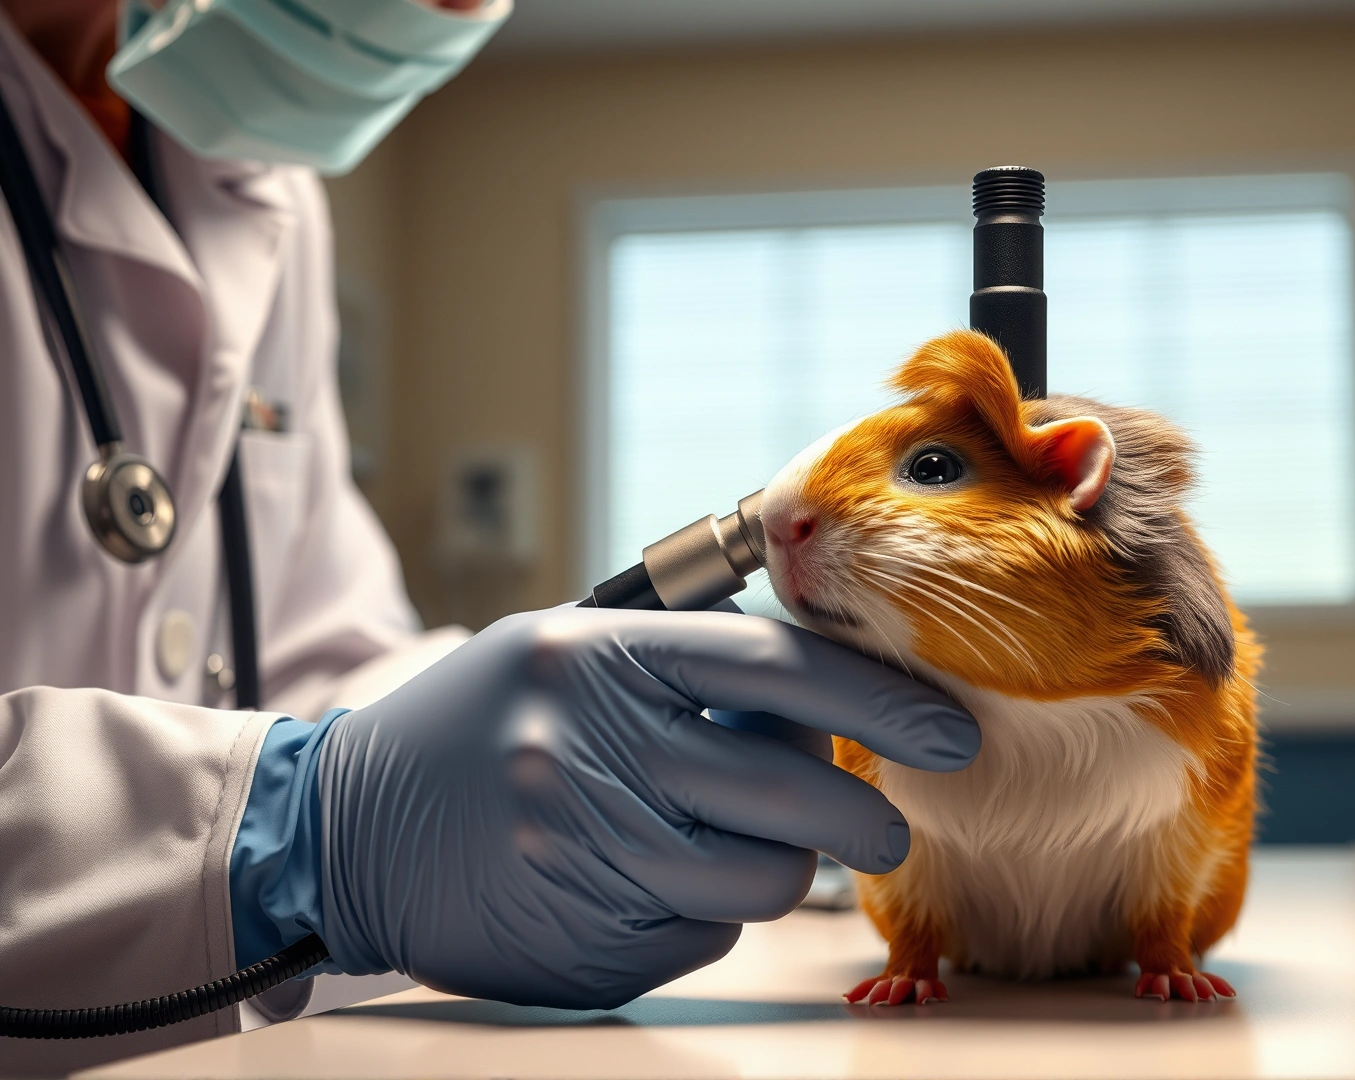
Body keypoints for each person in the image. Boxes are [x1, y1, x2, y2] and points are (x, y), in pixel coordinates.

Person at [0, 1, 978, 1074]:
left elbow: (322, 653)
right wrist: (306, 834)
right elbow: (349, 795)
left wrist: (579, 742)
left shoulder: (257, 186)